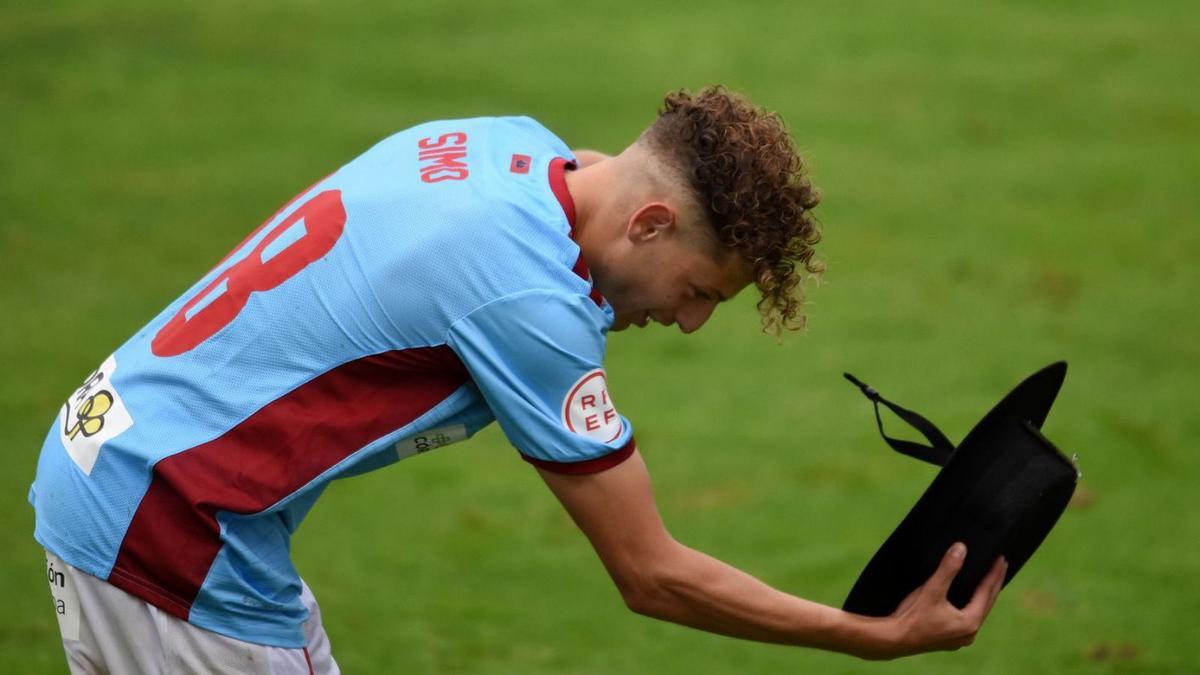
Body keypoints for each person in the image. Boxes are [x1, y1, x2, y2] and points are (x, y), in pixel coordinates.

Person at [31, 86, 1007, 674]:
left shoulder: (506, 144)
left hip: (127, 465)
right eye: (702, 289)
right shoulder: (528, 304)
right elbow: (652, 575)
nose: (691, 319)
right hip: (169, 531)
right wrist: (865, 635)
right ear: (653, 224)